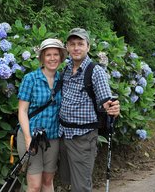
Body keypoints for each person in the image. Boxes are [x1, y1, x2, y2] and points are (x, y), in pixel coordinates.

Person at [58, 28, 120, 192]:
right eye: (72, 44)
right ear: (67, 47)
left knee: (81, 186)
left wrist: (111, 107)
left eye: (80, 44)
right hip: (64, 134)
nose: (76, 48)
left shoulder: (95, 71)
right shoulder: (65, 69)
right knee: (67, 181)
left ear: (88, 47)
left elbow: (105, 100)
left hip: (83, 138)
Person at [17, 38, 67, 192]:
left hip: (52, 138)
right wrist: (27, 138)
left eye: (56, 54)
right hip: (31, 136)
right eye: (48, 55)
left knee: (47, 181)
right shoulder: (30, 79)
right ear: (42, 58)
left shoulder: (63, 79)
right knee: (34, 185)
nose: (52, 58)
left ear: (61, 57)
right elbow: (22, 111)